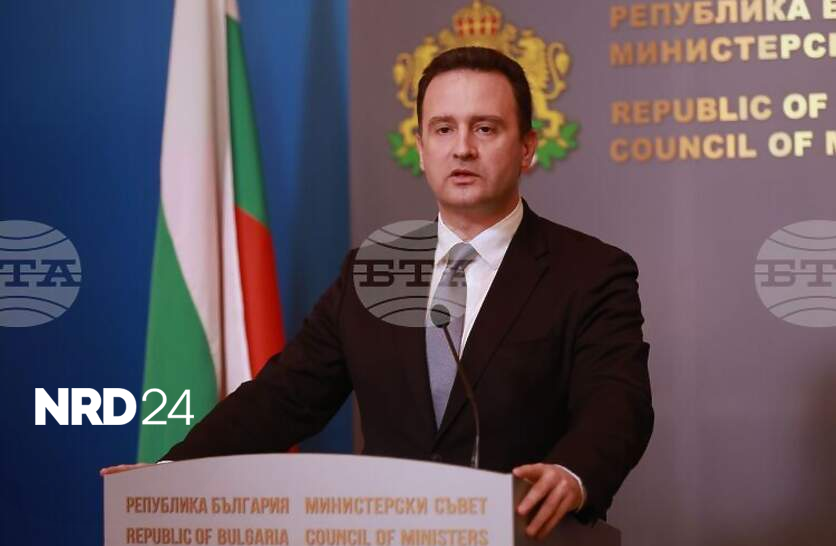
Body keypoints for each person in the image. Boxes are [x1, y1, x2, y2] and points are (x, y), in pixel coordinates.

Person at [102, 47, 653, 540]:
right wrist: (172, 473)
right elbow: (284, 397)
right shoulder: (377, 268)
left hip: (527, 532)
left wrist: (573, 473)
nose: (462, 148)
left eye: (485, 129)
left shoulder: (589, 272)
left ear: (527, 148)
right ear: (421, 148)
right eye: (443, 129)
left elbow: (618, 402)